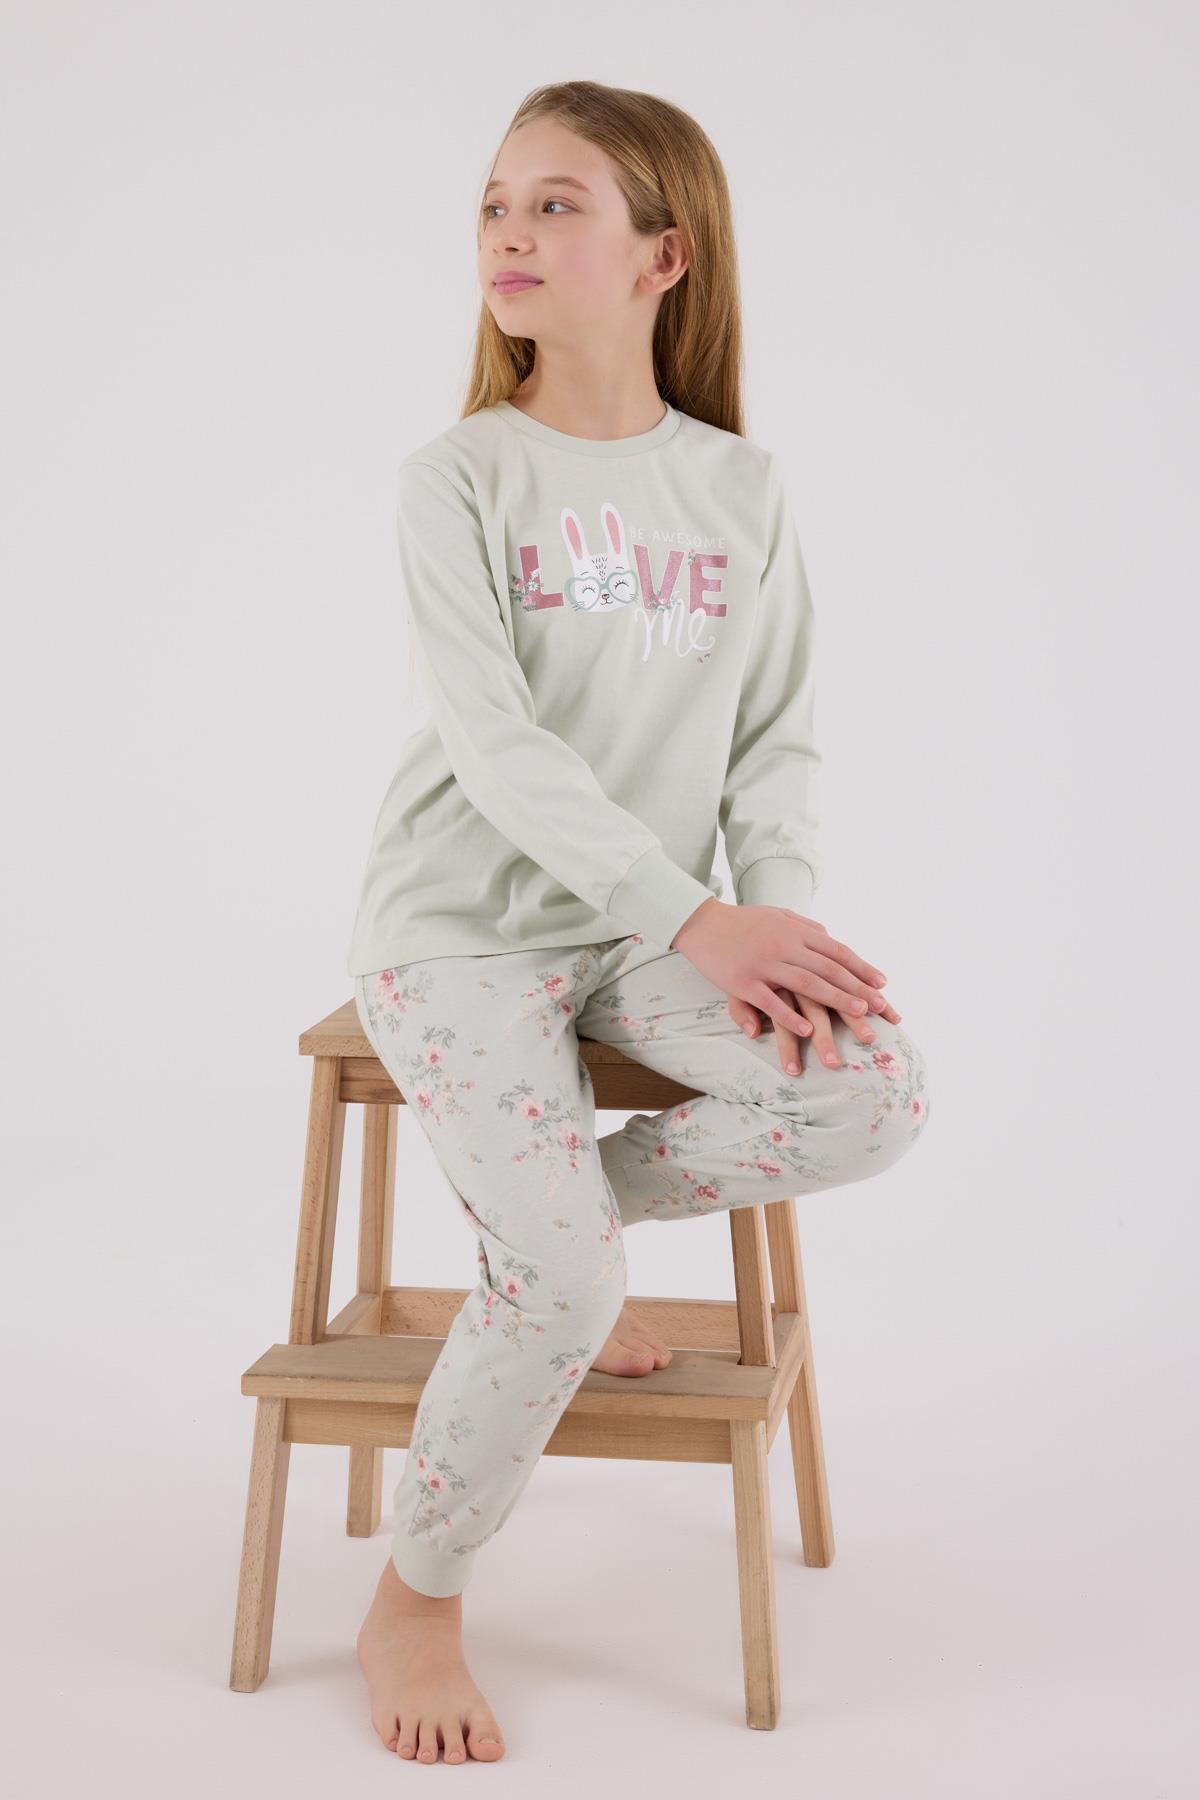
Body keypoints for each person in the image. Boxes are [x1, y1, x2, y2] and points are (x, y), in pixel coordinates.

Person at [347, 79, 932, 1765]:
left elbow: (776, 741)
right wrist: (697, 917)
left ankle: (562, 1234)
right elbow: (496, 747)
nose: (509, 234)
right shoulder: (459, 475)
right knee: (553, 1280)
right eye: (494, 204)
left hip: (646, 940)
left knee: (871, 1089)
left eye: (557, 204)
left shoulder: (739, 489)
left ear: (663, 257)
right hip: (458, 928)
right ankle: (417, 1600)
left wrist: (772, 933)